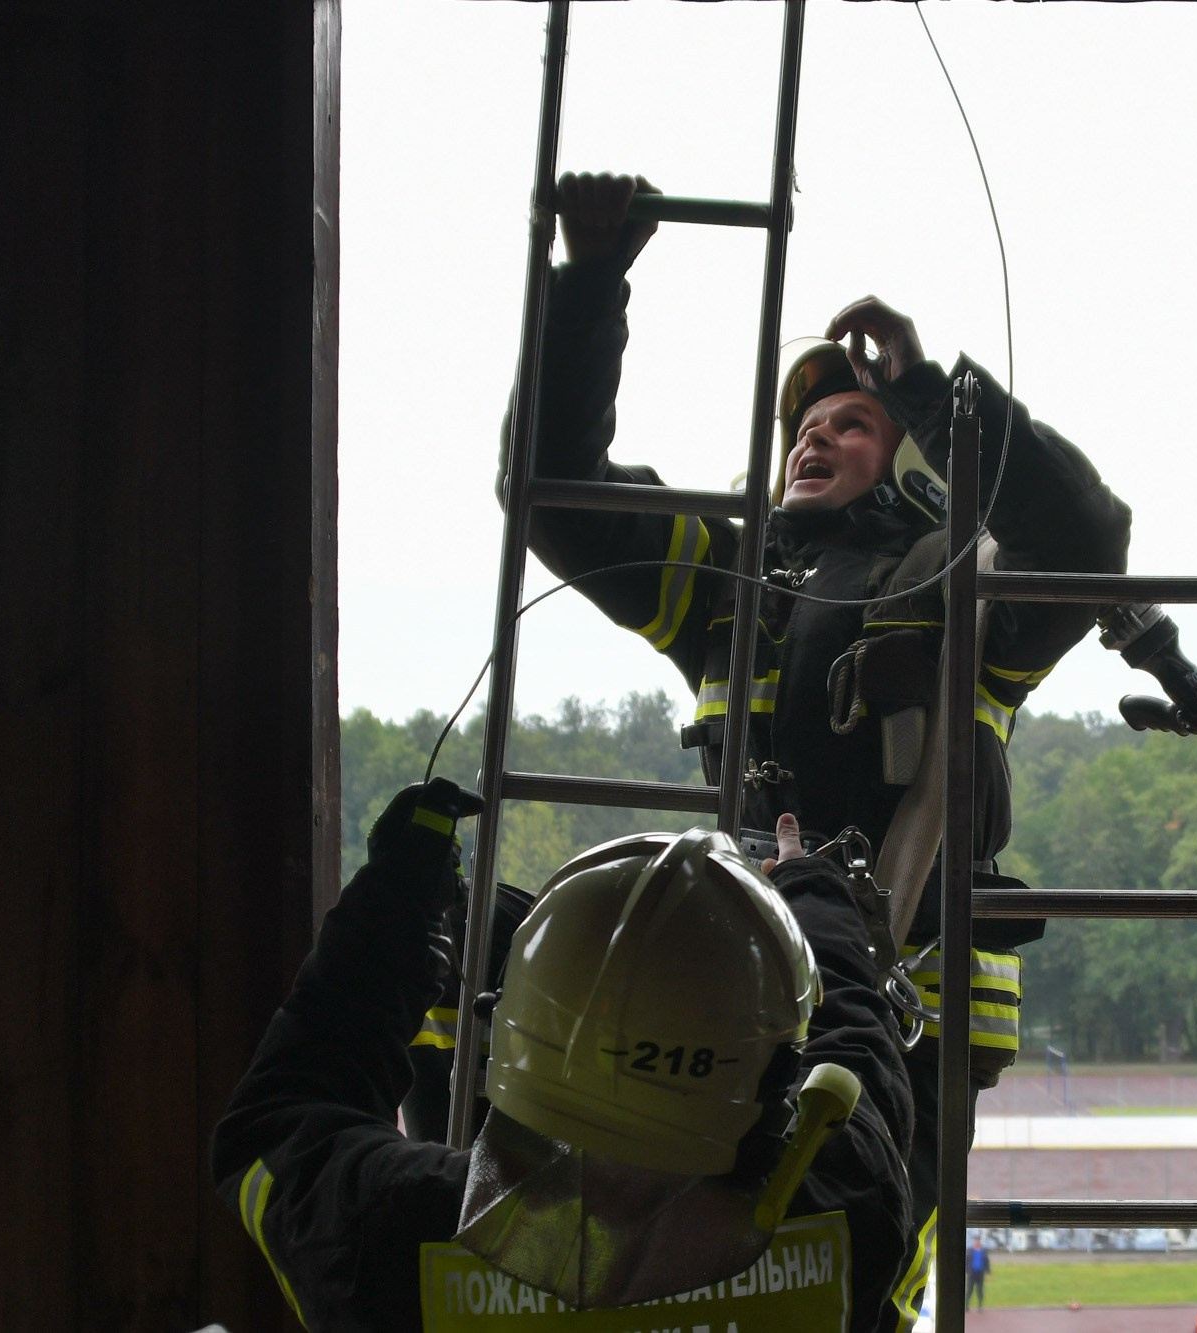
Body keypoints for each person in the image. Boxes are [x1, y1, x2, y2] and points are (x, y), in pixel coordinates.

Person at [506, 170, 1134, 1310]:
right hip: (736, 982)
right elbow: (552, 496)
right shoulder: (722, 577)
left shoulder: (967, 582)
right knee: (700, 1268)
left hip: (913, 1000)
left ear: (909, 462)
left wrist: (932, 391)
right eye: (802, 426)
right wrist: (590, 282)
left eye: (852, 422)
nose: (813, 439)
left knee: (852, 1263)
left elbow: (1088, 534)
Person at [212, 781, 915, 1332]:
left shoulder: (401, 1241)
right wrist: (812, 895)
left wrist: (395, 907)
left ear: (515, 1024)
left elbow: (274, 1126)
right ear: (774, 1075)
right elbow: (860, 1049)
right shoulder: (845, 1212)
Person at [965, 1235, 990, 1311]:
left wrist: (988, 1272)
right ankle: (966, 1305)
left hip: (980, 1273)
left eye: (978, 1240)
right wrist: (966, 1272)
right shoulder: (970, 1250)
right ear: (974, 1242)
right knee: (969, 1290)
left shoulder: (983, 1251)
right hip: (972, 1273)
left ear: (980, 1242)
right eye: (976, 1240)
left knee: (980, 1290)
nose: (977, 1242)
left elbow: (986, 1262)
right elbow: (966, 1262)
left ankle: (980, 1306)